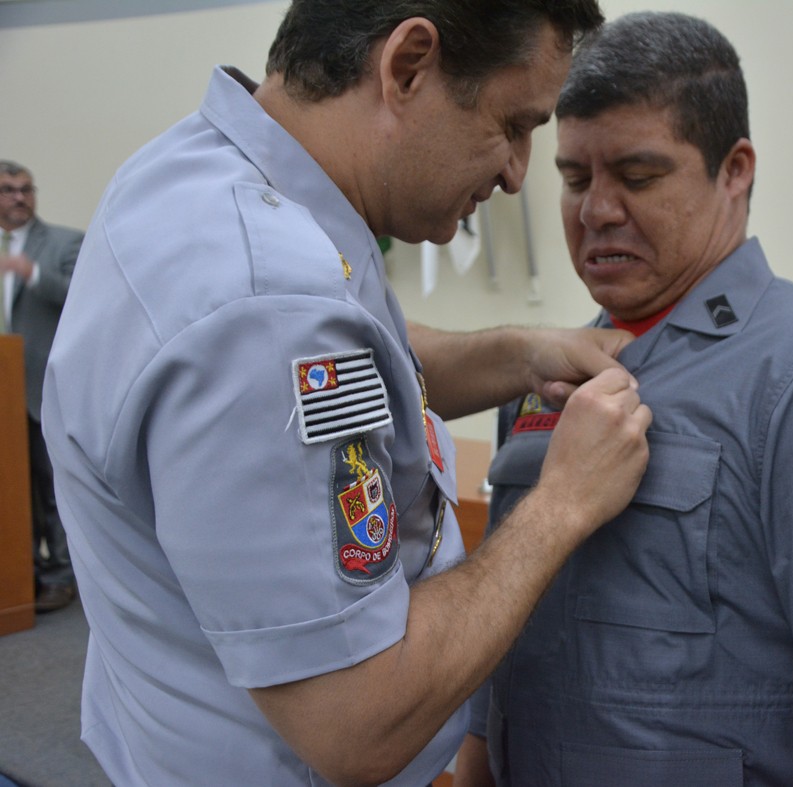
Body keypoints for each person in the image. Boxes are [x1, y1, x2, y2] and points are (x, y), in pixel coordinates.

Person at [40, 3, 653, 786]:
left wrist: (518, 353)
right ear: (407, 66)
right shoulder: (269, 306)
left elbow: (361, 356)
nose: (514, 172)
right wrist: (563, 503)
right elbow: (358, 722)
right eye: (512, 125)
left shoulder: (207, 179)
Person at [455, 11, 793, 787]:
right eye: (576, 178)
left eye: (639, 176)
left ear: (735, 171)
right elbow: (504, 662)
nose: (597, 211)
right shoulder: (549, 373)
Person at [0, 160, 83, 614]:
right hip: (2, 394)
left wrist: (30, 272)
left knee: (52, 491)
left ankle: (61, 576)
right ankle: (19, 574)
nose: (19, 197)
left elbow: (83, 297)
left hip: (38, 390)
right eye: (8, 189)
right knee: (10, 495)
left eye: (25, 188)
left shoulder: (64, 243)